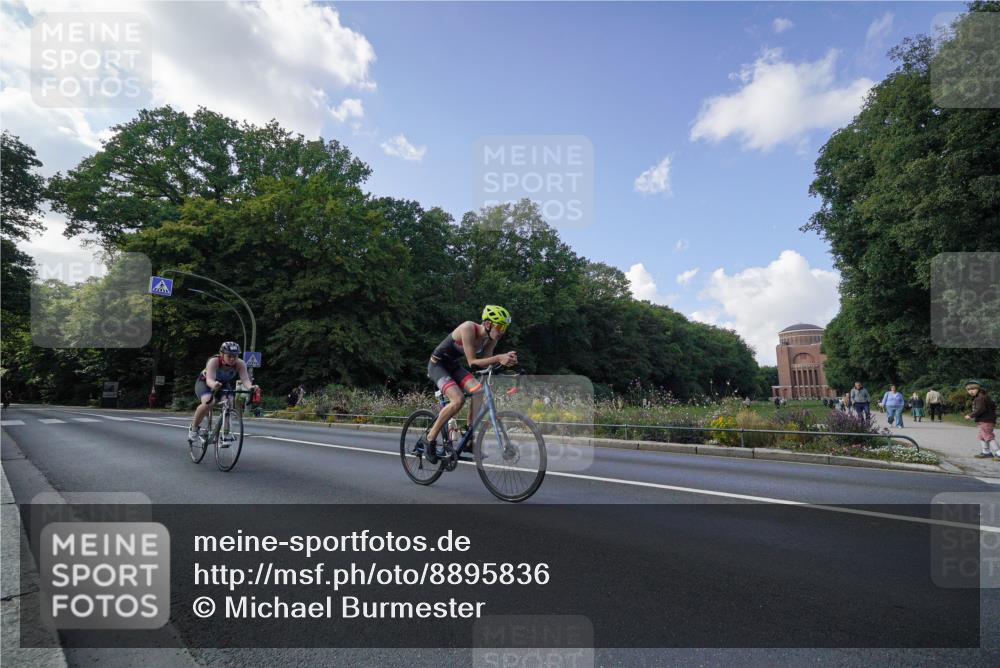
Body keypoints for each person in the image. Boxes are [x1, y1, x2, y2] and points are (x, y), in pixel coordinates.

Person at [415, 305, 517, 463]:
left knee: (478, 391)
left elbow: (484, 365)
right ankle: (429, 439)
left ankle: (469, 438)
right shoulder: (468, 328)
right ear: (488, 324)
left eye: (505, 327)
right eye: (500, 326)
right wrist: (499, 358)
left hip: (453, 366)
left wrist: (505, 363)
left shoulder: (491, 339)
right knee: (458, 400)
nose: (502, 331)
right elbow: (472, 362)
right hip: (438, 365)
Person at [188, 341, 258, 445]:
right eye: (229, 356)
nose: (232, 359)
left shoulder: (240, 364)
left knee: (229, 402)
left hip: (223, 383)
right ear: (222, 354)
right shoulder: (214, 361)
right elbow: (209, 379)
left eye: (235, 356)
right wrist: (213, 385)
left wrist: (251, 387)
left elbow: (245, 379)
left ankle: (225, 435)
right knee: (208, 403)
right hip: (205, 383)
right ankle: (193, 428)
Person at [965, 381, 998, 459]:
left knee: (988, 436)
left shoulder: (980, 398)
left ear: (978, 388)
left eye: (973, 389)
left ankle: (998, 452)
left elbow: (980, 409)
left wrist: (970, 415)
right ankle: (986, 452)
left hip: (986, 420)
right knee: (982, 436)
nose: (971, 391)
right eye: (968, 389)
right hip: (984, 420)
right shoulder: (982, 396)